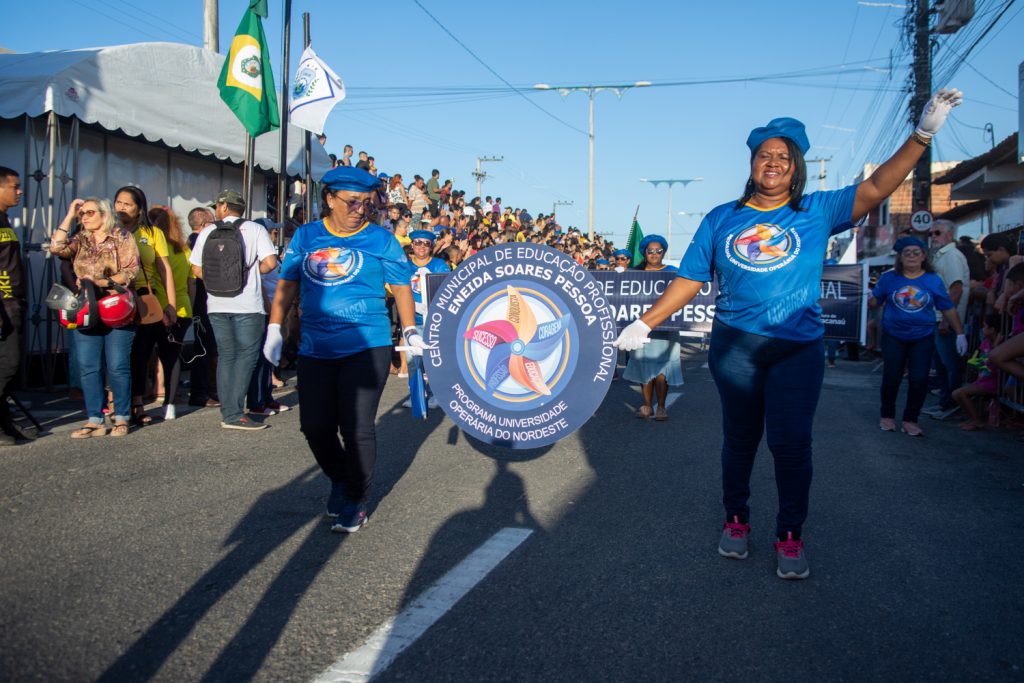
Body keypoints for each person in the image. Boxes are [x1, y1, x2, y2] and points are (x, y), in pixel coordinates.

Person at [613, 88, 964, 580]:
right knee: (739, 441)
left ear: (796, 167)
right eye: (764, 155)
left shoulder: (816, 210)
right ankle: (736, 521)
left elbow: (879, 186)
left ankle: (790, 533)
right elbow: (691, 279)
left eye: (783, 156)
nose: (773, 163)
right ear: (752, 163)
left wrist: (921, 135)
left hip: (797, 349)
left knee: (792, 443)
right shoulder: (721, 218)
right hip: (735, 347)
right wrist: (645, 321)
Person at [262, 166, 426, 533]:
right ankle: (340, 476)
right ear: (329, 198)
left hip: (368, 345)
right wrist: (275, 327)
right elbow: (287, 284)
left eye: (366, 203)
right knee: (315, 426)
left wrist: (411, 328)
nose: (360, 209)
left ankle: (356, 498)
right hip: (315, 347)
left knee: (357, 426)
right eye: (353, 202)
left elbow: (400, 287)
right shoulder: (306, 236)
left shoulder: (381, 240)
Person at [50, 198, 140, 437]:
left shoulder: (122, 236)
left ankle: (121, 417)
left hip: (115, 305)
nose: (85, 217)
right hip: (85, 307)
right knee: (88, 366)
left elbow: (131, 270)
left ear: (104, 214)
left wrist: (103, 282)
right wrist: (69, 215)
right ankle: (94, 418)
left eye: (89, 213)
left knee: (118, 365)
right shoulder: (80, 239)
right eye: (82, 215)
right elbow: (56, 248)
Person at [189, 190, 278, 430]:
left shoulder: (208, 231)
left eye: (217, 205)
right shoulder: (256, 230)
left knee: (226, 356)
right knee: (247, 356)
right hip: (248, 303)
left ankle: (229, 411)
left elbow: (196, 269)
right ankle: (234, 413)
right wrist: (246, 275)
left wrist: (221, 278)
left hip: (217, 303)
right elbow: (270, 263)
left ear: (224, 207)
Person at [870, 236, 966, 436]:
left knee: (919, 378)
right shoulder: (889, 278)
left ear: (923, 256)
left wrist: (960, 334)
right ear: (900, 257)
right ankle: (887, 416)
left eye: (916, 253)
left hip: (922, 336)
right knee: (892, 376)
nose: (911, 256)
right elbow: (874, 302)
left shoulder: (933, 280)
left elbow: (947, 307)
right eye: (907, 253)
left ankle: (910, 419)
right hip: (894, 335)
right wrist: (864, 296)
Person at [114, 186, 177, 426]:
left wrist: (170, 305)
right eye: (118, 202)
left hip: (144, 301)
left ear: (139, 209)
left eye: (127, 204)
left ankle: (137, 401)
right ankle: (116, 402)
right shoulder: (110, 230)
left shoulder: (151, 233)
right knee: (118, 355)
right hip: (115, 298)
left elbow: (165, 270)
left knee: (140, 353)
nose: (121, 208)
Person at [623, 235, 681, 421]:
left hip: (666, 328)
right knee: (644, 367)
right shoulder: (634, 273)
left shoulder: (674, 273)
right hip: (641, 328)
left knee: (662, 371)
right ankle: (647, 405)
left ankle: (661, 407)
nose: (654, 254)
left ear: (663, 252)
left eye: (658, 251)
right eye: (650, 251)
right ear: (644, 253)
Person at [147, 206, 193, 420]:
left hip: (156, 306)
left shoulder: (156, 247)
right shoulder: (184, 250)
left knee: (146, 352)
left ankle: (145, 396)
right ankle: (170, 404)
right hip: (183, 307)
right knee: (172, 357)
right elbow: (192, 282)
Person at [920, 219, 970, 420]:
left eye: (937, 233)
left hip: (946, 319)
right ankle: (944, 402)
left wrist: (947, 320)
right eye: (931, 234)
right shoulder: (941, 255)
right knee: (941, 365)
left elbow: (955, 289)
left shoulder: (951, 256)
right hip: (938, 317)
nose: (933, 237)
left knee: (950, 365)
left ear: (949, 234)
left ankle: (951, 404)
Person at [402, 229, 450, 409]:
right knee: (412, 360)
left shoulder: (439, 265)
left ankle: (437, 394)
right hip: (411, 321)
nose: (422, 246)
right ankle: (416, 394)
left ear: (431, 246)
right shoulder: (404, 266)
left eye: (426, 243)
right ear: (412, 245)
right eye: (418, 243)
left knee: (434, 359)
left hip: (434, 321)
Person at [0, 167, 26, 444]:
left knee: (10, 366)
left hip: (14, 305)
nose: (19, 191)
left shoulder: (6, 221)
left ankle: (6, 423)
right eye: (14, 186)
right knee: (8, 365)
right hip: (3, 307)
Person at [185, 207, 219, 408]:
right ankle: (200, 392)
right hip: (202, 302)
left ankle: (206, 389)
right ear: (206, 224)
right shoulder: (199, 241)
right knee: (205, 349)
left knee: (207, 348)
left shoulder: (189, 241)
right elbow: (196, 274)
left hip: (199, 301)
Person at [953, 314, 1002, 431]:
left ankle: (977, 421)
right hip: (983, 379)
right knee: (955, 394)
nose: (982, 329)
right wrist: (976, 365)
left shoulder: (1001, 344)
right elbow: (981, 359)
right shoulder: (985, 342)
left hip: (993, 381)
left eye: (985, 326)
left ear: (992, 329)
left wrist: (995, 346)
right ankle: (972, 418)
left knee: (962, 393)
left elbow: (995, 360)